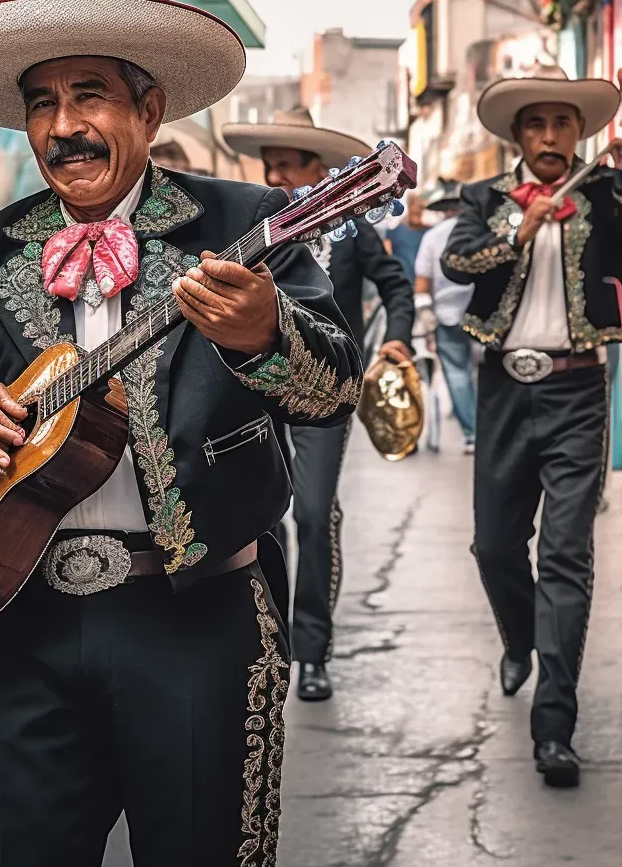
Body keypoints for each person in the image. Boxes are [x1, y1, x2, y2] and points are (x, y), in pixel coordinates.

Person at [0, 0, 363, 866]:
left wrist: (265, 335)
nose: (64, 127)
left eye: (89, 95)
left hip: (200, 615)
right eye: (43, 104)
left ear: (149, 108)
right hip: (36, 613)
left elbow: (334, 391)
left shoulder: (247, 221)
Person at [442, 63, 622, 790]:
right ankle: (520, 639)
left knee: (567, 559)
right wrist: (521, 225)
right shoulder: (485, 199)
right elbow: (458, 264)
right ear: (518, 135)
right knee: (493, 545)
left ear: (580, 132)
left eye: (563, 124)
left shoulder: (609, 194)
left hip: (580, 389)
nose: (551, 137)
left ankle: (555, 727)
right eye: (537, 125)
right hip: (504, 391)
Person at [222, 108, 414, 701]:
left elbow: (397, 285)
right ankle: (266, 637)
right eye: (270, 163)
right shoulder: (247, 226)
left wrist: (397, 339)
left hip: (328, 393)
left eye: (289, 163)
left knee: (313, 512)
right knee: (262, 516)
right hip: (256, 388)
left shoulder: (353, 229)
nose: (276, 173)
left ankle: (312, 650)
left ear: (318, 169)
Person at [413, 178, 476, 453]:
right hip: (485, 312)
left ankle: (473, 434)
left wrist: (426, 315)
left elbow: (422, 282)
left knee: (458, 375)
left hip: (447, 315)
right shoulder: (482, 230)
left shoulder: (433, 236)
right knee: (487, 375)